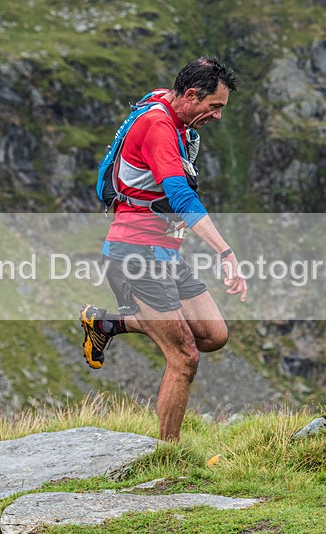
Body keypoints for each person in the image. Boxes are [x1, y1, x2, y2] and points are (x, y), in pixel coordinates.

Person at [80, 57, 248, 441]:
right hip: (134, 254)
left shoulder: (170, 109)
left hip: (165, 254)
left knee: (213, 334)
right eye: (214, 107)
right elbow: (179, 194)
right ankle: (167, 457)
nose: (217, 116)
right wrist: (226, 253)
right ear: (190, 95)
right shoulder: (157, 126)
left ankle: (107, 323)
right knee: (184, 356)